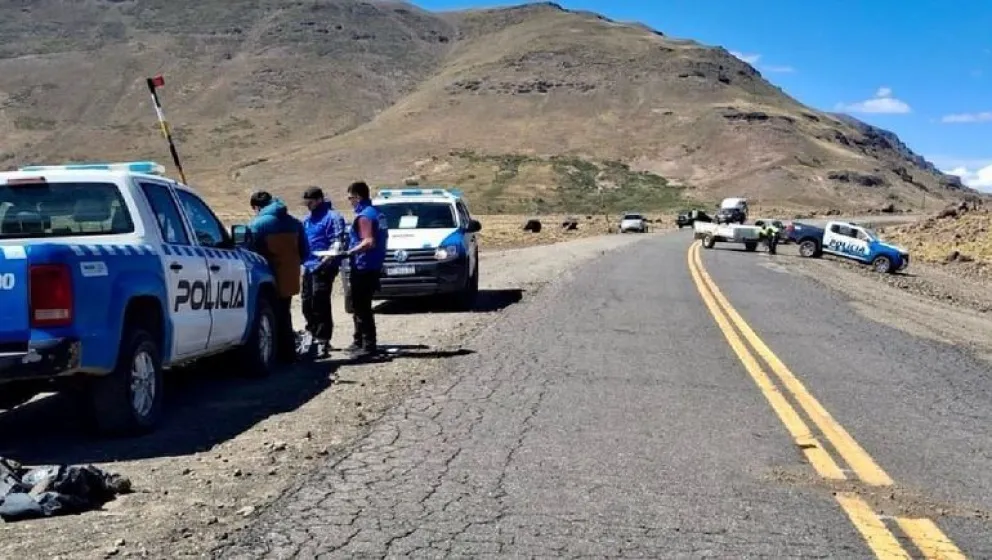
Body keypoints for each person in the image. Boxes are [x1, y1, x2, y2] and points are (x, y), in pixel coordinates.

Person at [247, 191, 309, 364]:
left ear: (256, 207)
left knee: (267, 316)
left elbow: (248, 252)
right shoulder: (294, 222)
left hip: (266, 278)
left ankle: (273, 355)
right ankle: (288, 354)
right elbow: (305, 252)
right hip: (289, 277)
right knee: (285, 314)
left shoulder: (257, 224)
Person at [299, 186, 348, 358]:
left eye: (310, 202)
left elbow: (338, 240)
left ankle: (323, 339)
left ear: (319, 199)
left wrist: (327, 259)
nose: (308, 205)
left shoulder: (333, 217)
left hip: (325, 265)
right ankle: (311, 333)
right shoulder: (307, 220)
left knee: (320, 300)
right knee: (307, 301)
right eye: (306, 203)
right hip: (309, 265)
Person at [344, 181, 388, 359]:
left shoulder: (364, 216)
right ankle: (359, 341)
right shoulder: (378, 213)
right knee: (360, 305)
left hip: (364, 266)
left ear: (358, 196)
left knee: (362, 307)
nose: (350, 202)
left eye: (350, 198)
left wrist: (348, 252)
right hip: (375, 265)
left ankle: (368, 345)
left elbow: (368, 241)